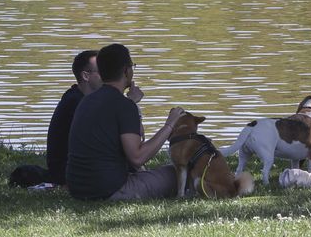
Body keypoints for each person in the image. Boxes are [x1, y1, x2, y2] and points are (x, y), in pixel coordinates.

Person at [66, 43, 186, 201]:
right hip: (110, 190)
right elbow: (137, 157)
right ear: (126, 71)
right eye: (132, 66)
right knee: (178, 172)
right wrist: (169, 125)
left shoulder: (87, 101)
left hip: (78, 189)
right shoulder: (124, 105)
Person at [11, 49, 121, 188]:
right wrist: (130, 105)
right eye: (102, 71)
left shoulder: (81, 98)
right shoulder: (76, 103)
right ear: (86, 76)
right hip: (69, 173)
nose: (107, 75)